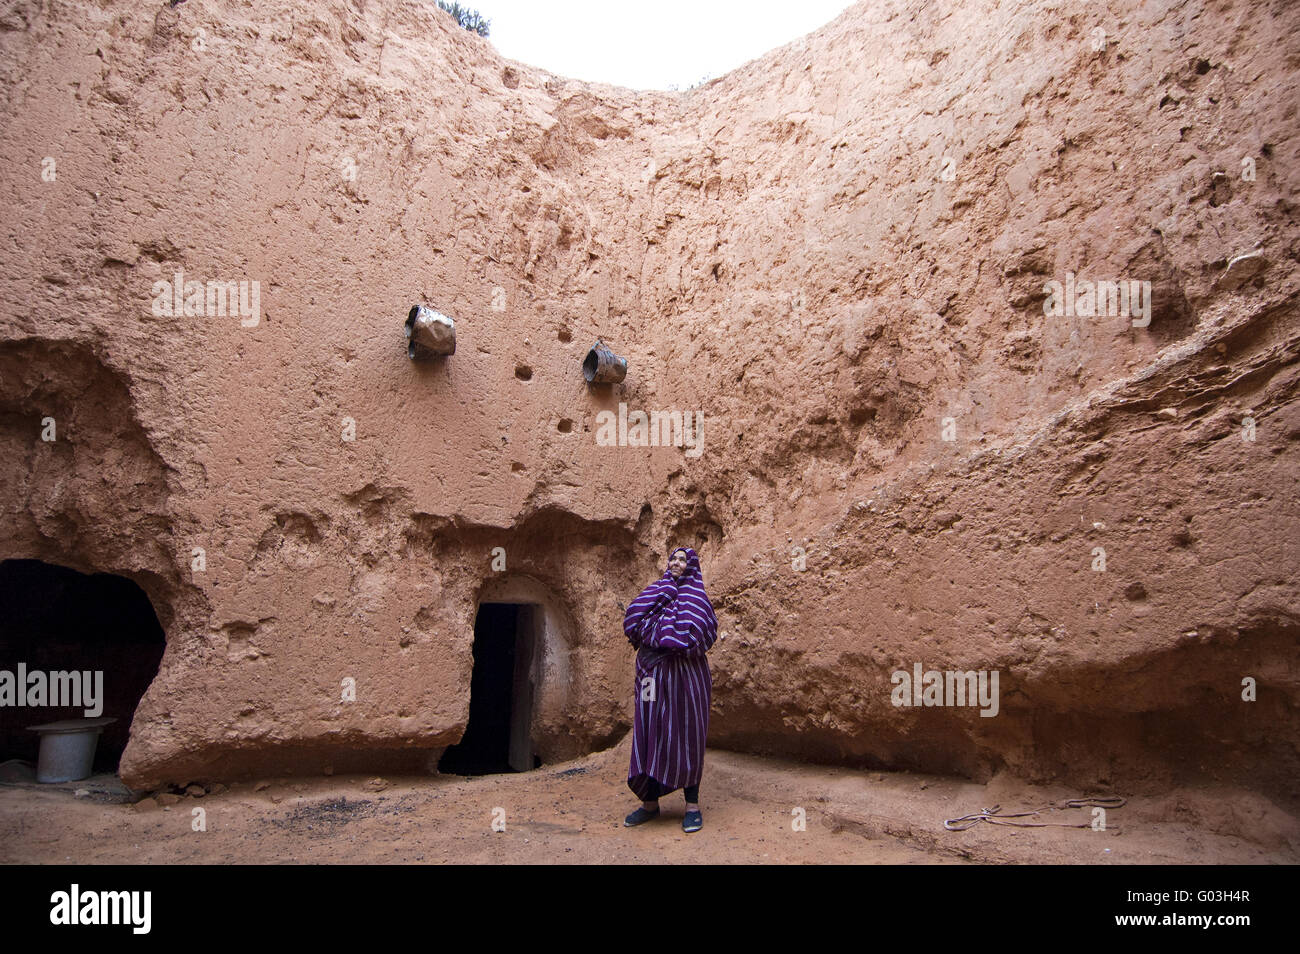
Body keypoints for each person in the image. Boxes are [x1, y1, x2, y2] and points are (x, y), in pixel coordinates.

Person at [621, 545, 718, 833]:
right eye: (673, 559)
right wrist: (664, 636)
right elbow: (634, 622)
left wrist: (664, 636)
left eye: (682, 560)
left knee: (687, 733)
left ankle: (692, 806)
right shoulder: (656, 592)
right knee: (649, 731)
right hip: (650, 676)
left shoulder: (697, 598)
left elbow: (697, 635)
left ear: (691, 566)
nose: (677, 563)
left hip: (687, 677)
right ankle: (649, 803)